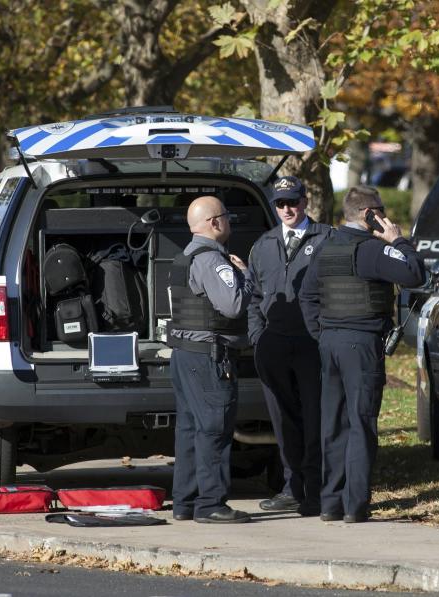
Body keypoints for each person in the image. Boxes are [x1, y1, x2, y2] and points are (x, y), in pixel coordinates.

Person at [299, 186, 425, 523]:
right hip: (361, 343)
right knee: (360, 421)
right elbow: (415, 273)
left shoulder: (324, 247)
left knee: (334, 422)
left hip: (330, 344)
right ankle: (355, 505)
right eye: (380, 211)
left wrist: (322, 333)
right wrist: (398, 240)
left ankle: (331, 503)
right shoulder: (372, 250)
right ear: (370, 214)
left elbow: (307, 296)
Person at [247, 176, 333, 516]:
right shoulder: (264, 244)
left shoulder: (326, 238)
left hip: (313, 344)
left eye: (293, 202)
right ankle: (292, 487)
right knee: (283, 421)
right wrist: (257, 336)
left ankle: (316, 489)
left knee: (314, 418)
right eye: (280, 204)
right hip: (274, 345)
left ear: (305, 200)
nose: (287, 209)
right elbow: (254, 296)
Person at [167, 195, 253, 523]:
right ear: (215, 222)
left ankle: (185, 502)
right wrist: (245, 277)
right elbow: (232, 305)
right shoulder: (213, 260)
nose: (229, 222)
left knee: (189, 430)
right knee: (214, 429)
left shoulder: (183, 258)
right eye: (227, 216)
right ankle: (211, 504)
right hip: (209, 358)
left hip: (185, 355)